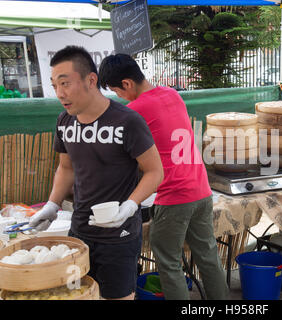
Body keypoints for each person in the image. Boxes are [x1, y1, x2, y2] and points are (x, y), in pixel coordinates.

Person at [29, 46, 164, 300]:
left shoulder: (127, 121)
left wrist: (130, 205)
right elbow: (66, 167)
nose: (59, 93)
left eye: (65, 83)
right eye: (54, 85)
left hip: (119, 235)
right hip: (80, 230)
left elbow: (155, 172)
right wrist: (51, 204)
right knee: (76, 295)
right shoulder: (64, 121)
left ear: (91, 80)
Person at [98, 54, 229, 300]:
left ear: (127, 83)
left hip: (174, 197)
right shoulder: (172, 94)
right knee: (208, 257)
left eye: (117, 91)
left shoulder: (135, 110)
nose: (119, 97)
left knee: (169, 263)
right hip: (201, 190)